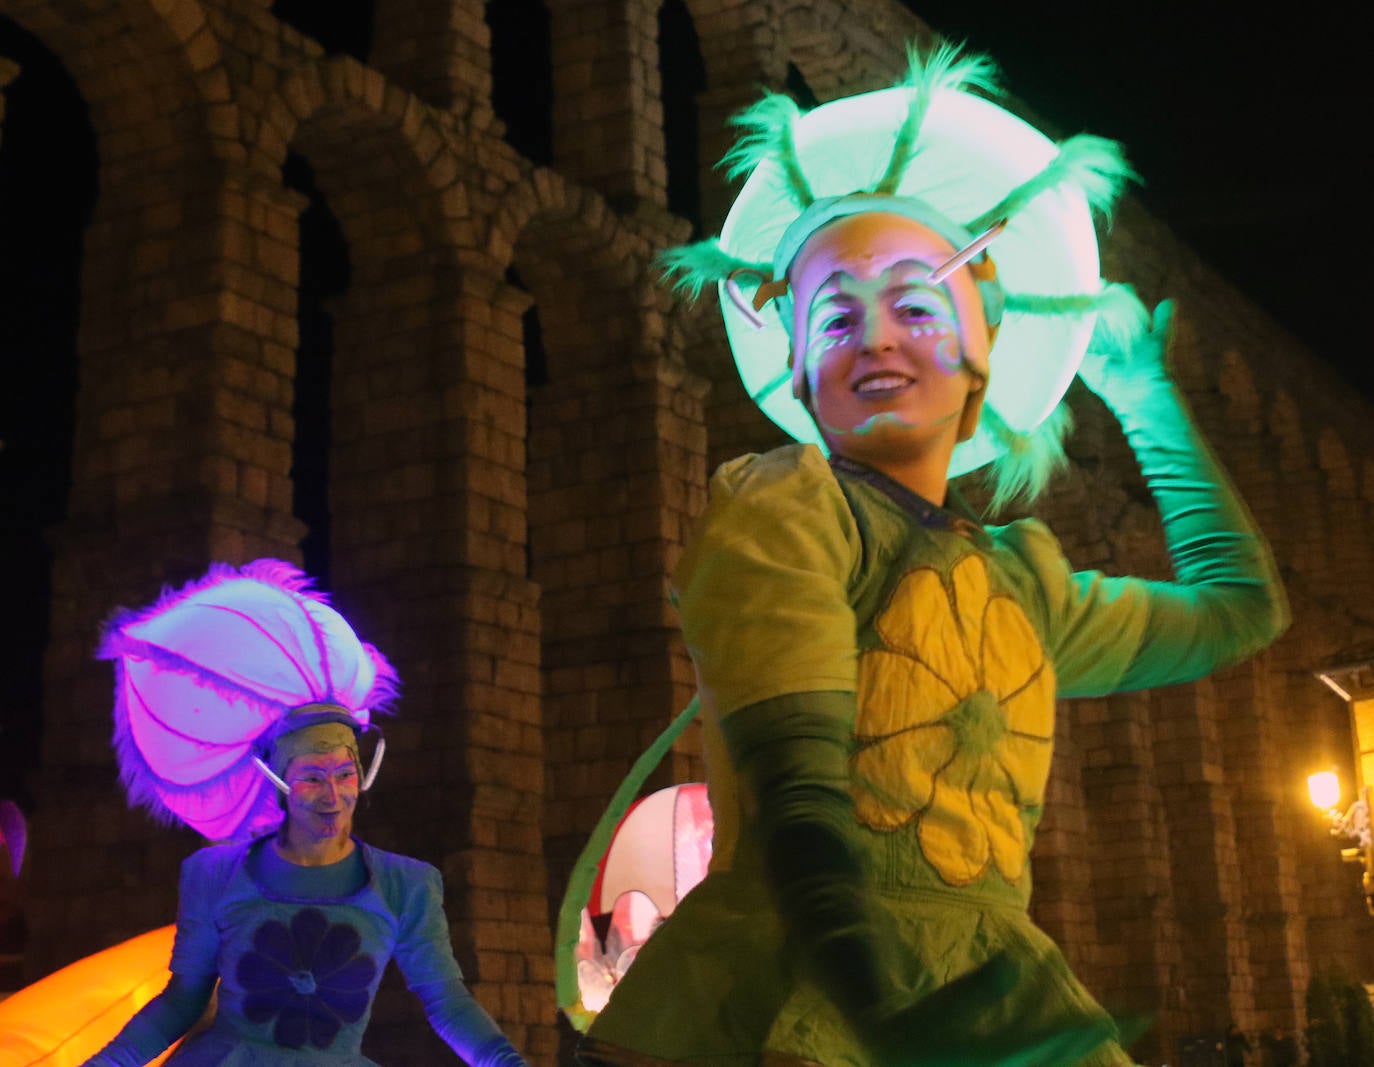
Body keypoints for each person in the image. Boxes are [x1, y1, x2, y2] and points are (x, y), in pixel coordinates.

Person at [571, 42, 1288, 1067]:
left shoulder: (1025, 584)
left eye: (915, 304)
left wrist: (1148, 401)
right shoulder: (788, 512)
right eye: (834, 314)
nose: (877, 337)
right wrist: (874, 996)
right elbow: (798, 789)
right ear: (800, 373)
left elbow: (1240, 608)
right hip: (796, 980)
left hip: (989, 982)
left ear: (980, 355)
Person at [83, 560, 529, 1067]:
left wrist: (506, 1062)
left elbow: (446, 1001)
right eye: (313, 777)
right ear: (280, 783)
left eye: (345, 774)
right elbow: (182, 1002)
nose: (333, 794)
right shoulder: (215, 875)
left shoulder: (408, 886)